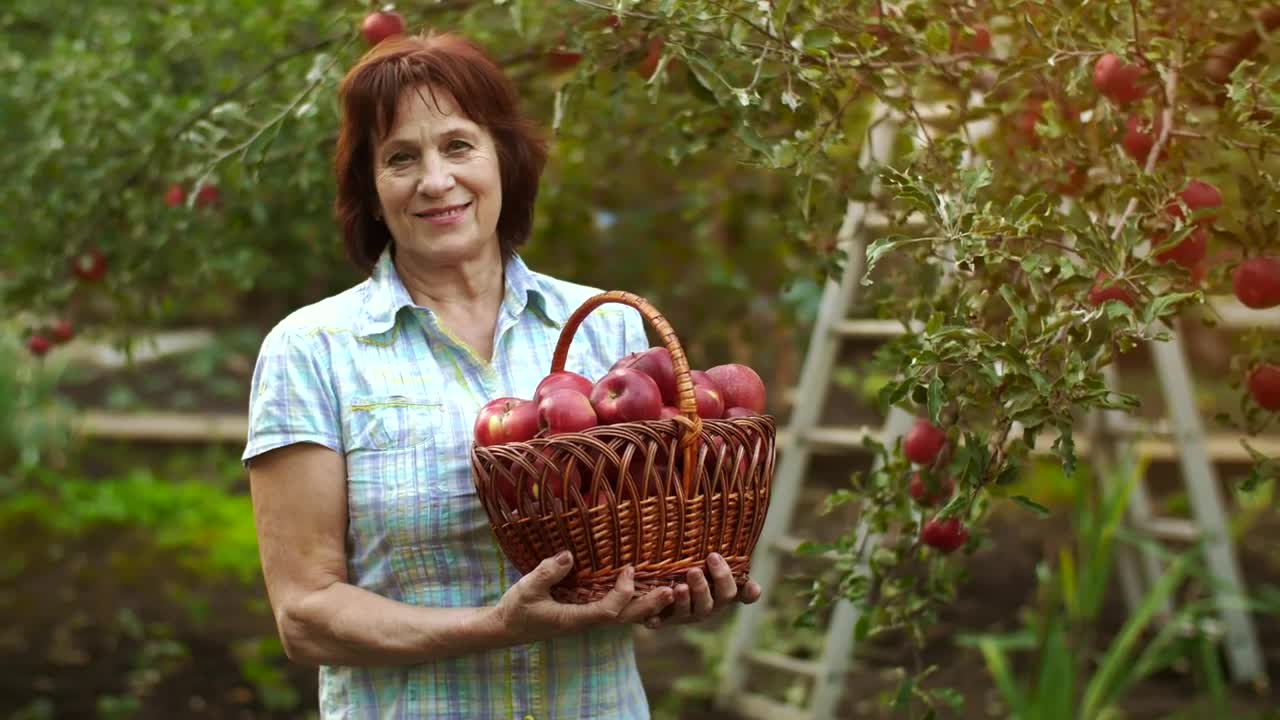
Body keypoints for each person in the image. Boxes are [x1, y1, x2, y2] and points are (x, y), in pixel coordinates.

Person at [241, 29, 762, 719]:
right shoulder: (313, 351)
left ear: (503, 161)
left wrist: (675, 588)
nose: (435, 180)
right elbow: (304, 615)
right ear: (370, 189)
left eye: (458, 145)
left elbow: (641, 539)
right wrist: (495, 627)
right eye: (401, 158)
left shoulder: (605, 328)